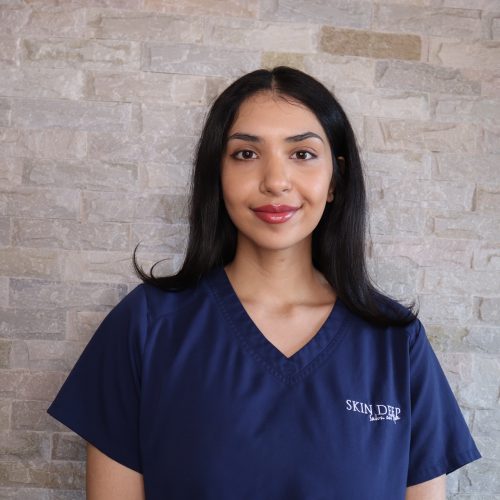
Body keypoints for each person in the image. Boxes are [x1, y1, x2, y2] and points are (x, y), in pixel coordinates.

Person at [47, 66, 481, 499]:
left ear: (336, 179)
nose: (275, 181)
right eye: (246, 154)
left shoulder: (396, 342)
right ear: (217, 175)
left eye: (302, 154)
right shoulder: (147, 326)